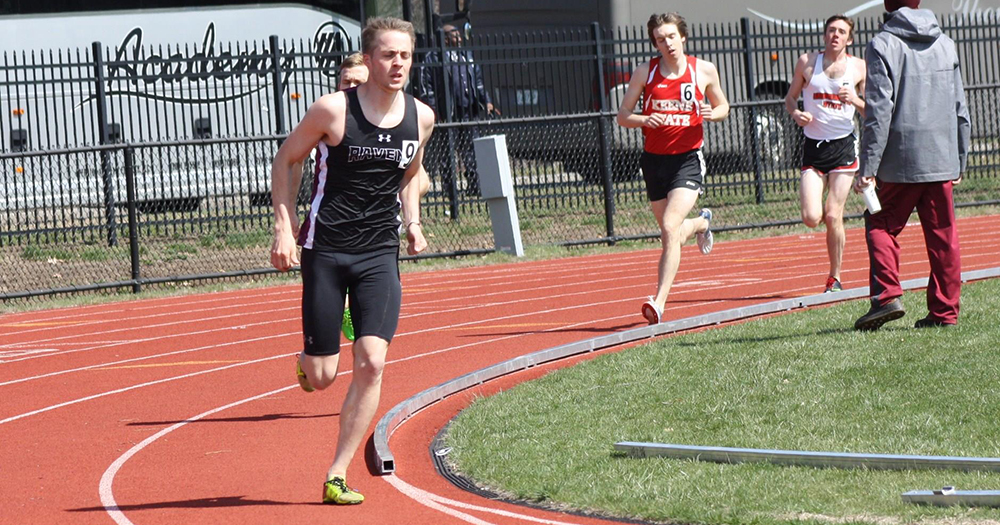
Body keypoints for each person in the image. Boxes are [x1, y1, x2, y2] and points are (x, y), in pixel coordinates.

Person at [269, 17, 434, 504]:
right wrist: (283, 226)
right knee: (322, 378)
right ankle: (308, 361)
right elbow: (286, 160)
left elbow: (410, 175)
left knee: (371, 361)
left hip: (378, 252)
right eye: (388, 54)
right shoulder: (333, 111)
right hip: (326, 249)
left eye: (404, 54)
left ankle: (336, 473)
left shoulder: (421, 117)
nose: (397, 63)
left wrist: (413, 223)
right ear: (369, 58)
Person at [853, 0, 969, 330]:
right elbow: (960, 104)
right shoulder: (945, 43)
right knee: (944, 236)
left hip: (899, 158)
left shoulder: (882, 43)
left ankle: (887, 295)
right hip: (940, 153)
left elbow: (878, 111)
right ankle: (945, 312)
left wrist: (868, 166)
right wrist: (960, 157)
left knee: (881, 223)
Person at [616, 12, 729, 325]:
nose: (666, 43)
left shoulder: (702, 70)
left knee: (668, 225)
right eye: (659, 39)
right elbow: (623, 115)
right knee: (672, 236)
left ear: (683, 37)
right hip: (654, 161)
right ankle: (701, 224)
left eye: (670, 36)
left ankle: (659, 302)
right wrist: (643, 119)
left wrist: (712, 113)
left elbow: (723, 106)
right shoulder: (645, 72)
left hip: (687, 160)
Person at [784, 15, 866, 294]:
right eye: (831, 30)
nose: (835, 35)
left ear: (849, 39)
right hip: (813, 146)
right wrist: (796, 113)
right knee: (810, 217)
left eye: (841, 31)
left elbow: (870, 110)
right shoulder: (807, 62)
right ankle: (831, 234)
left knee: (833, 215)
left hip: (843, 146)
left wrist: (854, 99)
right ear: (824, 35)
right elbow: (790, 97)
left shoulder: (858, 67)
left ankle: (835, 277)